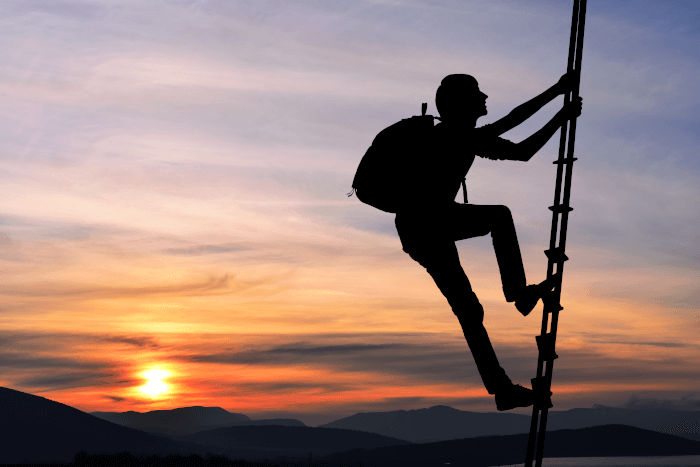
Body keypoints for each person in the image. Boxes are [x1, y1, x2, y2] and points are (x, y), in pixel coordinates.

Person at [394, 73, 582, 411]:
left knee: (469, 310)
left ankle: (501, 388)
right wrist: (560, 110)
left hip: (422, 228)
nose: (485, 98)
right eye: (477, 95)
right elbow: (517, 136)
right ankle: (519, 295)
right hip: (428, 224)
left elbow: (516, 136)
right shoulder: (454, 137)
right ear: (461, 105)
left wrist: (557, 97)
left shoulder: (459, 136)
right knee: (499, 217)